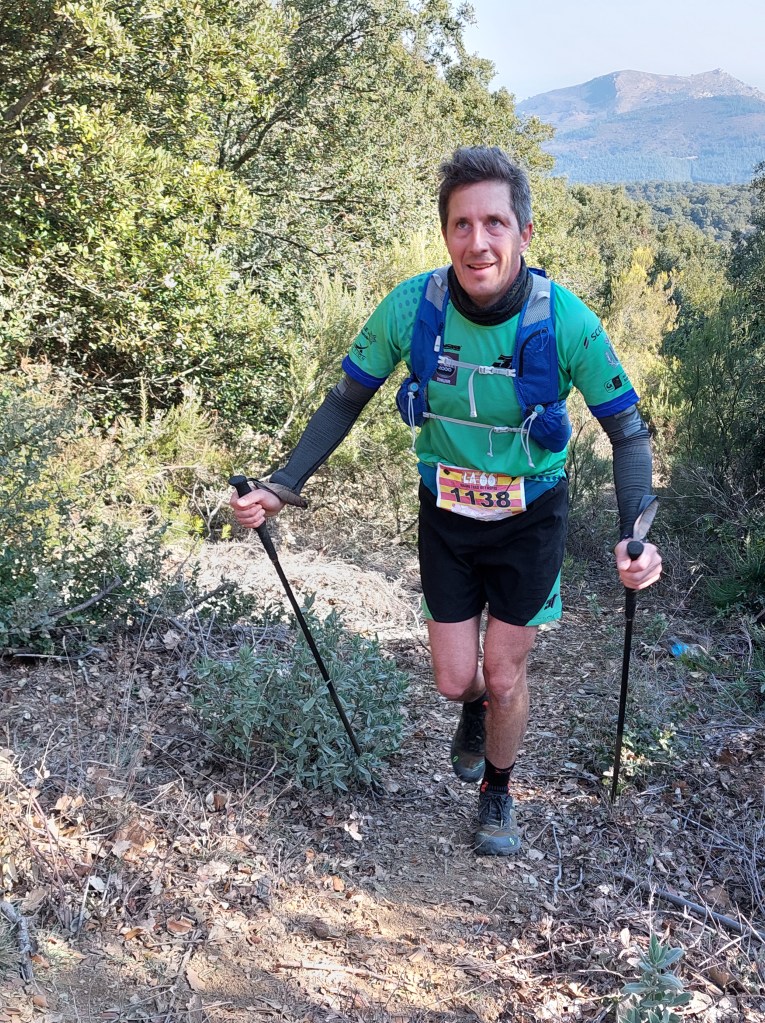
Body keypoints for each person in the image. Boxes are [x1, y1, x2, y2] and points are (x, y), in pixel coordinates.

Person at [230, 146, 662, 856]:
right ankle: (474, 707)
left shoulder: (567, 321)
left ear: (524, 232)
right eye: (462, 224)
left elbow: (628, 432)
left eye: (495, 223)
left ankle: (498, 790)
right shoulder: (412, 307)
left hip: (530, 518)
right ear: (445, 233)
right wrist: (282, 484)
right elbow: (345, 399)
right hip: (448, 517)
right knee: (457, 678)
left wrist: (633, 532)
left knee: (506, 674)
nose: (477, 241)